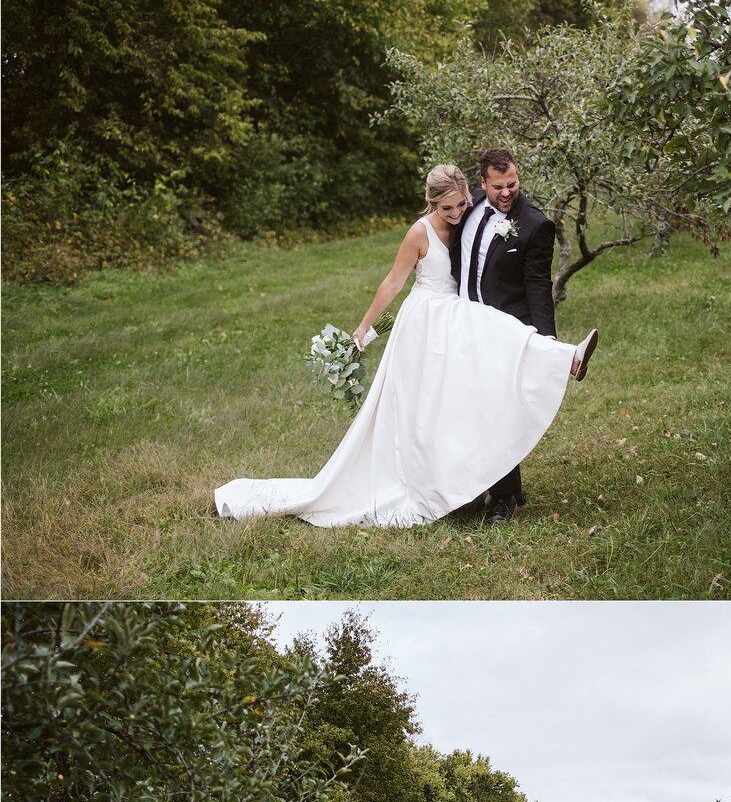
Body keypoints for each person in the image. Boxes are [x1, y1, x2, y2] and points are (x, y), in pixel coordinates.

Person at [214, 164, 597, 529]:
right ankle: (425, 483)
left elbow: (499, 204)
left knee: (491, 350)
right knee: (427, 404)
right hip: (426, 322)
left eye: (461, 204)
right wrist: (364, 329)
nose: (456, 213)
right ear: (432, 203)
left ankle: (564, 358)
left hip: (454, 313)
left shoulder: (475, 210)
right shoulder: (420, 232)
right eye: (447, 208)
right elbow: (394, 283)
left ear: (469, 193)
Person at [449, 151, 597, 518]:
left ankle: (503, 499)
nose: (505, 192)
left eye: (512, 184)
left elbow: (537, 285)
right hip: (459, 323)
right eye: (497, 186)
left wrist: (545, 338)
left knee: (498, 413)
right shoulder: (468, 208)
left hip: (502, 329)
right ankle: (473, 487)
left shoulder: (534, 225)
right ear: (482, 183)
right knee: (464, 409)